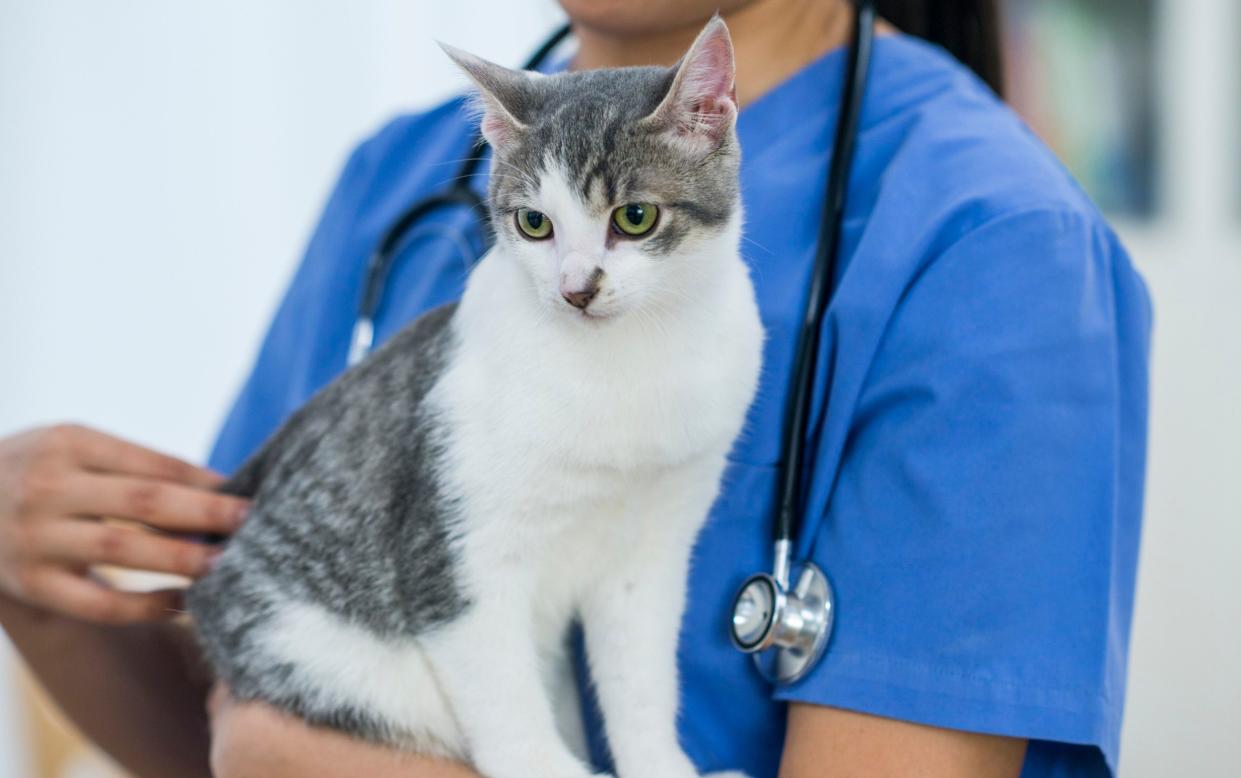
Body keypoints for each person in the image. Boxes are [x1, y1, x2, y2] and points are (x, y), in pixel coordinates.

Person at [0, 0, 1150, 776]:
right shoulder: (398, 177)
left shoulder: (995, 247)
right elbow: (217, 727)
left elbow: (282, 755)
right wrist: (36, 588)